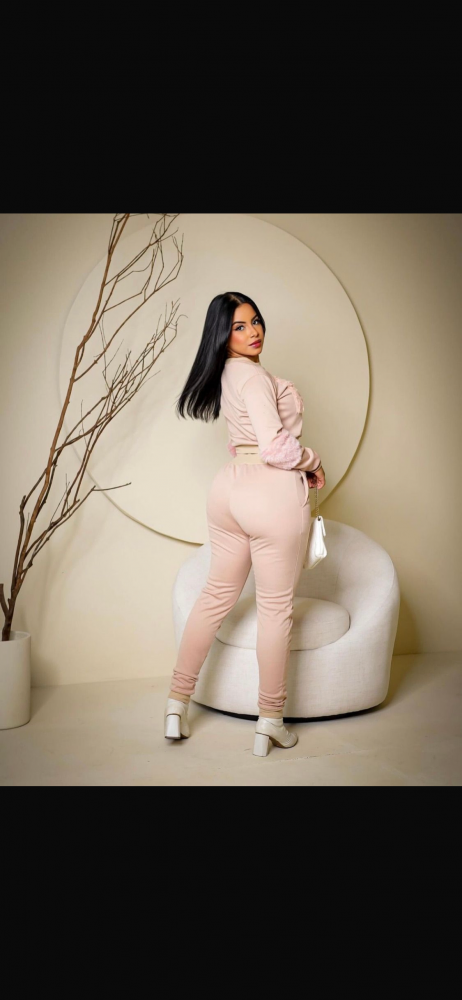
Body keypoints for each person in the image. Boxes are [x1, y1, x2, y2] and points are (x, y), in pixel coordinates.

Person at [164, 292, 325, 757]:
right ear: (223, 334)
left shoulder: (228, 373)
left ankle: (176, 704)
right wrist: (313, 460)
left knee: (215, 596)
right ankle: (270, 721)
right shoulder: (253, 376)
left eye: (255, 321)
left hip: (229, 489)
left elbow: (244, 442)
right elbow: (274, 447)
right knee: (275, 609)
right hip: (271, 492)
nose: (253, 331)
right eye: (239, 326)